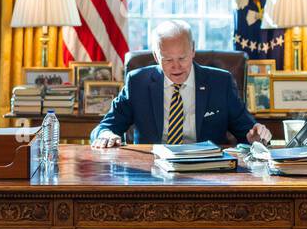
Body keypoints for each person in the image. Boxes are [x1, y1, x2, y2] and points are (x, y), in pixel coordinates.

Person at [90, 20, 272, 147]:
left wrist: (255, 136)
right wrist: (106, 134)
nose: (176, 67)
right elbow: (106, 127)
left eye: (182, 58)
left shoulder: (220, 82)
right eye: (167, 60)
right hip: (151, 172)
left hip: (208, 171)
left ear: (192, 50)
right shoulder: (138, 83)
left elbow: (247, 131)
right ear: (156, 56)